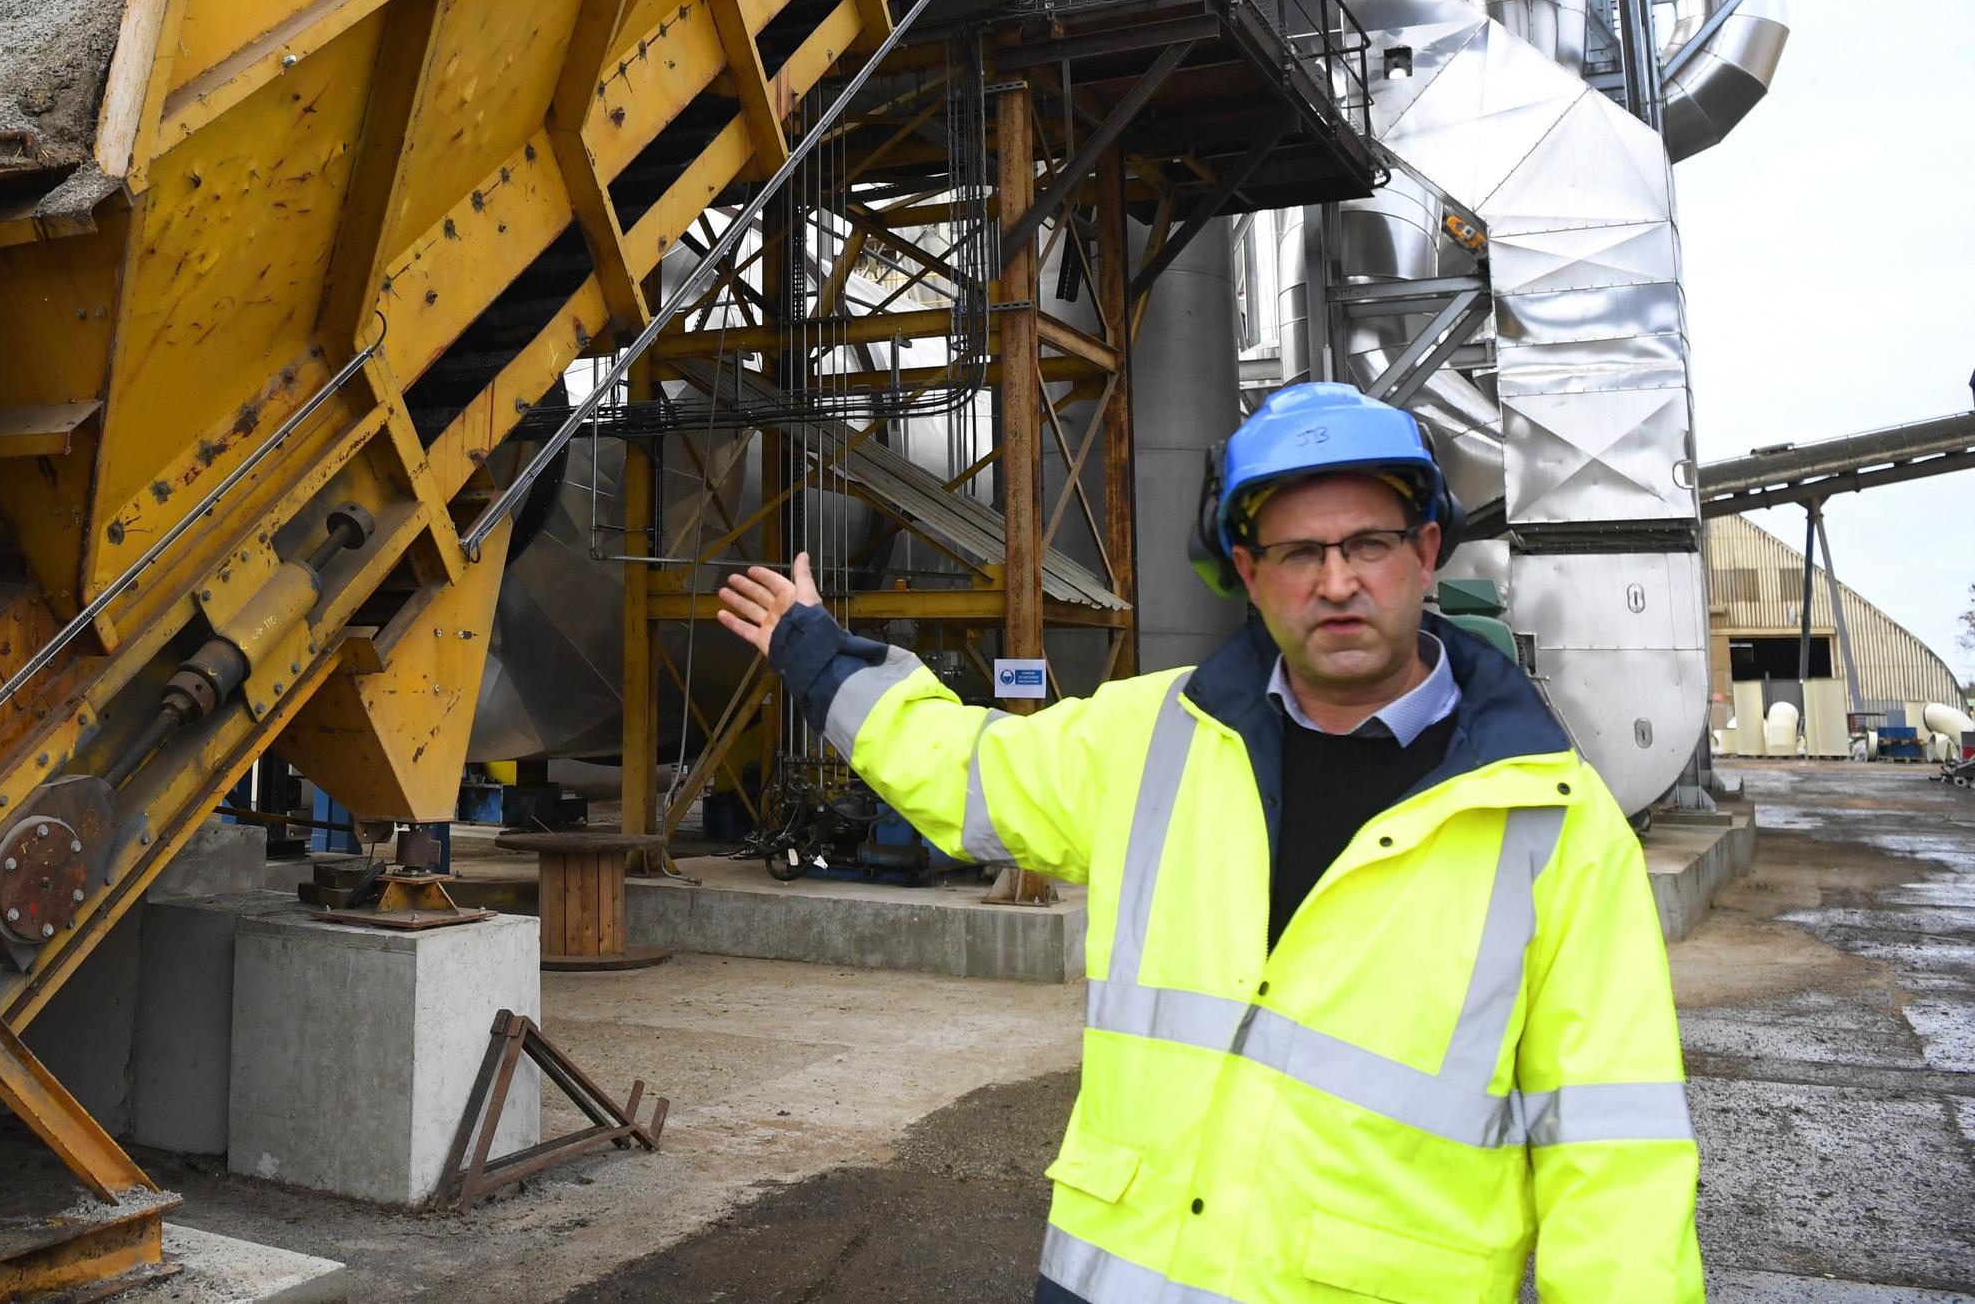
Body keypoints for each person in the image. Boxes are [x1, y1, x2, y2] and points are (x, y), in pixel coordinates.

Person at [716, 382, 1703, 1304]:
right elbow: (966, 769)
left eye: (1368, 542)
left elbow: (1615, 1162)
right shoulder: (1150, 738)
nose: (1336, 581)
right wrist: (817, 654)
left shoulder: (1553, 826)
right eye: (1297, 553)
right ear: (1248, 572)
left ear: (1427, 547)